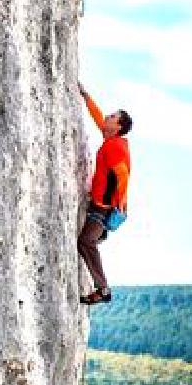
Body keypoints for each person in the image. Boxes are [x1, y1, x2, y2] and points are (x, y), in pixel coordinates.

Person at [77, 82, 132, 305]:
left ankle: (102, 289)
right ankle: (101, 235)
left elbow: (123, 175)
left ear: (117, 126)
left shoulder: (116, 146)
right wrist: (86, 97)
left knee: (85, 242)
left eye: (112, 116)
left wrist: (120, 202)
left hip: (103, 206)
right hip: (101, 202)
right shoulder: (111, 139)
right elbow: (98, 117)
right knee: (89, 239)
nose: (107, 117)